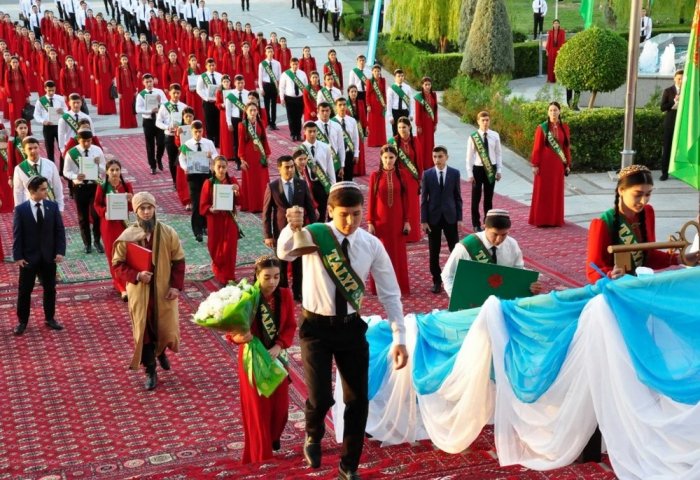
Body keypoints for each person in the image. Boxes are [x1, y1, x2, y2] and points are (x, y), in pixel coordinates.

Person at [277, 181, 408, 480]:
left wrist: (399, 338)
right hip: (315, 328)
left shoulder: (371, 244)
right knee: (321, 397)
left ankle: (349, 465)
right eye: (344, 215)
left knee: (357, 400)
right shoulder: (314, 234)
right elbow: (285, 253)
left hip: (350, 329)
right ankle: (313, 433)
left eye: (357, 214)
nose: (350, 222)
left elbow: (390, 293)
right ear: (330, 211)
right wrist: (290, 227)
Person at [226, 255, 297, 464]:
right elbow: (231, 330)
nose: (272, 282)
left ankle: (273, 437)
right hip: (252, 357)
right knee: (258, 409)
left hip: (276, 356)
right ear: (257, 276)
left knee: (281, 408)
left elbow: (290, 325)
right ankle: (260, 454)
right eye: (267, 277)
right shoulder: (247, 297)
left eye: (276, 276)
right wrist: (238, 337)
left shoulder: (285, 295)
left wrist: (279, 344)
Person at [113, 191, 186, 390]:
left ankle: (161, 351)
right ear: (136, 212)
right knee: (144, 331)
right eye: (142, 209)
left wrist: (175, 286)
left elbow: (178, 261)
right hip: (140, 293)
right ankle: (150, 370)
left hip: (163, 291)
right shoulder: (127, 237)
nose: (146, 212)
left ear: (155, 209)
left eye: (149, 208)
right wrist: (137, 276)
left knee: (164, 327)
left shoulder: (168, 232)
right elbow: (118, 265)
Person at [585, 164, 689, 283]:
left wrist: (681, 259)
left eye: (648, 194)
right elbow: (592, 271)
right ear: (621, 190)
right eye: (638, 194)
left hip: (639, 284)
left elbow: (648, 257)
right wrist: (610, 274)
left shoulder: (647, 213)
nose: (643, 201)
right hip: (615, 288)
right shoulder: (603, 223)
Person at [441, 209, 542, 297]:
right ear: (485, 227)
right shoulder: (465, 247)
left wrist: (530, 284)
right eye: (495, 234)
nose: (499, 239)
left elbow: (518, 271)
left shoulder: (512, 244)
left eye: (504, 234)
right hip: (474, 297)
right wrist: (457, 297)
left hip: (503, 297)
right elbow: (447, 275)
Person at [12, 175, 66, 336]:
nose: (46, 191)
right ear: (33, 191)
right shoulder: (21, 210)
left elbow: (59, 231)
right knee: (24, 291)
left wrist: (59, 251)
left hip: (49, 257)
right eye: (42, 189)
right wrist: (18, 257)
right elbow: (17, 235)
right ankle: (22, 322)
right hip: (28, 258)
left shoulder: (52, 207)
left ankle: (50, 318)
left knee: (50, 289)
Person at [262, 154, 317, 301]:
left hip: (300, 232)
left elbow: (310, 208)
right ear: (279, 168)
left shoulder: (302, 184)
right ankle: (283, 292)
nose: (290, 170)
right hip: (281, 233)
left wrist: (314, 229)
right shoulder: (272, 186)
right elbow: (266, 213)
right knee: (282, 264)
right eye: (287, 167)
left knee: (299, 264)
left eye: (292, 166)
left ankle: (298, 292)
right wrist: (268, 235)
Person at [367, 145, 410, 294]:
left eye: (391, 157)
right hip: (381, 222)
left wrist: (407, 220)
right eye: (385, 157)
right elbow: (371, 199)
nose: (388, 161)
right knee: (380, 253)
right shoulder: (375, 176)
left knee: (398, 254)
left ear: (396, 158)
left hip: (397, 220)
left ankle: (399, 285)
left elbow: (406, 199)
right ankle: (380, 287)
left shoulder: (402, 175)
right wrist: (370, 221)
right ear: (381, 158)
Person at [421, 146, 463, 294]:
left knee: (456, 250)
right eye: (435, 157)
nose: (437, 160)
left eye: (440, 156)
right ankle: (437, 281)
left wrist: (460, 218)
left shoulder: (454, 173)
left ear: (446, 157)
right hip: (433, 219)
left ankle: (458, 278)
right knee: (434, 252)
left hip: (450, 217)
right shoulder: (427, 174)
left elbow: (458, 197)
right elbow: (424, 199)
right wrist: (423, 220)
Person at [94, 159, 134, 301]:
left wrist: (131, 200)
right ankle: (120, 286)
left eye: (117, 170)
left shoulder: (127, 186)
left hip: (123, 226)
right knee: (113, 256)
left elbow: (132, 208)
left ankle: (127, 281)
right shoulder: (102, 187)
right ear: (107, 172)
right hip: (109, 226)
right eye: (112, 170)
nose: (115, 173)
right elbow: (96, 205)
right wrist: (104, 211)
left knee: (126, 255)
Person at [199, 155, 242, 284]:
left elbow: (240, 202)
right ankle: (218, 270)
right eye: (219, 167)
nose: (221, 170)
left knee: (229, 248)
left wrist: (237, 192)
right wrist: (211, 209)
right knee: (214, 247)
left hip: (229, 220)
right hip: (215, 220)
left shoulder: (232, 181)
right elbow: (203, 205)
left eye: (224, 167)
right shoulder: (209, 183)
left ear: (227, 167)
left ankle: (229, 275)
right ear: (213, 167)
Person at [529, 101, 571, 227]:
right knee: (543, 191)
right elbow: (537, 147)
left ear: (559, 112)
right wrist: (535, 164)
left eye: (555, 110)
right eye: (551, 110)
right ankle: (542, 220)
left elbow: (566, 148)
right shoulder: (542, 128)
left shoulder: (565, 127)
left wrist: (567, 163)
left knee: (556, 191)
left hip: (558, 165)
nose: (553, 112)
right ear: (548, 112)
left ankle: (555, 220)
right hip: (544, 164)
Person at [63, 128, 105, 254]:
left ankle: (97, 241)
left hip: (94, 186)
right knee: (83, 217)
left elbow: (104, 168)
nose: (87, 144)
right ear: (78, 140)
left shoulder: (97, 150)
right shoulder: (72, 153)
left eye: (89, 141)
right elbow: (66, 171)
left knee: (95, 215)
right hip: (80, 187)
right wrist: (75, 177)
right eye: (84, 141)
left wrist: (98, 165)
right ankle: (87, 243)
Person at [179, 120, 217, 242]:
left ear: (203, 131)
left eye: (200, 131)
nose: (198, 134)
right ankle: (197, 231)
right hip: (193, 176)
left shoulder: (208, 143)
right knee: (196, 202)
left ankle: (205, 225)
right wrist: (185, 168)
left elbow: (217, 156)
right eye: (195, 132)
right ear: (191, 131)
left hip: (206, 175)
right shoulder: (186, 145)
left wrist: (212, 156)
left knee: (207, 201)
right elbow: (181, 159)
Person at [466, 111, 502, 232]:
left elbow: (498, 154)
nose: (485, 122)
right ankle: (475, 223)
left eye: (487, 120)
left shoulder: (495, 135)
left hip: (491, 168)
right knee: (475, 198)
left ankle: (487, 222)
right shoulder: (473, 137)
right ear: (478, 122)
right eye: (483, 120)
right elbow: (469, 157)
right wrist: (470, 174)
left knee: (488, 198)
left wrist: (499, 170)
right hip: (478, 169)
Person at [389, 116, 422, 242]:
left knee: (412, 207)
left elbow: (419, 161)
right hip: (398, 178)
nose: (402, 129)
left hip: (412, 179)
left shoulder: (415, 141)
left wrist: (419, 178)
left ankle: (413, 234)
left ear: (410, 127)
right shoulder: (393, 141)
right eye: (399, 127)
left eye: (404, 127)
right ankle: (399, 233)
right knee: (399, 206)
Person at [13, 136, 65, 212]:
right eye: (30, 149)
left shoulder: (50, 165)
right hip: (30, 208)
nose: (33, 151)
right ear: (24, 150)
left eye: (35, 147)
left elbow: (57, 186)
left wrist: (60, 207)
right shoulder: (19, 169)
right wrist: (18, 210)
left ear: (39, 148)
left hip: (49, 204)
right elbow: (18, 192)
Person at [238, 102, 271, 213]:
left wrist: (267, 154)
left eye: (254, 110)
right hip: (249, 155)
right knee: (251, 180)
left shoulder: (260, 123)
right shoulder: (242, 125)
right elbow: (241, 143)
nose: (253, 113)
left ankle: (263, 204)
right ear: (246, 112)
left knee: (262, 180)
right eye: (250, 110)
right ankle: (251, 205)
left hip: (260, 155)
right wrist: (242, 159)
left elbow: (264, 139)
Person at [300, 122, 335, 221]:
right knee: (309, 213)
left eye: (314, 131)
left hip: (322, 183)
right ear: (305, 132)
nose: (312, 134)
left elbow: (330, 168)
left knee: (322, 211)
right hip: (307, 184)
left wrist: (332, 186)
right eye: (310, 131)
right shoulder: (301, 149)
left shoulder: (325, 147)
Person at [156, 83, 189, 185]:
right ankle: (175, 181)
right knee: (172, 160)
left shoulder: (184, 106)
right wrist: (167, 127)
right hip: (170, 136)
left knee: (183, 158)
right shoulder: (164, 107)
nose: (176, 95)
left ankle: (183, 180)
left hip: (182, 137)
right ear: (169, 93)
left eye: (178, 93)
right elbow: (158, 122)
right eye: (174, 93)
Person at [136, 73, 168, 174]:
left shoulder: (159, 91)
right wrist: (150, 111)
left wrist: (159, 105)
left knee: (161, 142)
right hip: (148, 121)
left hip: (159, 120)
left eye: (150, 81)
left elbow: (166, 103)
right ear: (143, 83)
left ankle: (158, 158)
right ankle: (152, 165)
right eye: (147, 82)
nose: (149, 84)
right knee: (150, 145)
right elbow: (138, 109)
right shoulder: (141, 95)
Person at [32, 80, 67, 164]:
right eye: (49, 90)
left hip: (59, 126)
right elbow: (36, 114)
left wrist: (63, 111)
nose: (51, 92)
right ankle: (52, 167)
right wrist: (43, 121)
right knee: (49, 149)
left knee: (62, 148)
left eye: (53, 90)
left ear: (55, 89)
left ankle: (62, 170)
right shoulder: (40, 101)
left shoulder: (60, 98)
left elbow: (67, 109)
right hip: (48, 127)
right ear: (45, 89)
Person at [660, 70, 682, 181]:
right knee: (667, 147)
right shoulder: (668, 91)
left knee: (681, 148)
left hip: (682, 123)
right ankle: (665, 172)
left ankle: (681, 172)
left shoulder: (688, 92)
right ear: (674, 78)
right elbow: (662, 107)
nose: (680, 81)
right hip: (671, 123)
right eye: (678, 78)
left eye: (682, 78)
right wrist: (674, 101)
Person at [279, 57, 308, 142]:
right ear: (290, 64)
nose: (295, 66)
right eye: (293, 64)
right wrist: (281, 98)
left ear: (298, 64)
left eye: (296, 64)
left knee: (298, 117)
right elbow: (281, 87)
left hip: (300, 98)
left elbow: (306, 87)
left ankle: (298, 134)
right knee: (291, 117)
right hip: (289, 98)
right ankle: (293, 134)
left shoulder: (302, 74)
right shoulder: (285, 74)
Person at [224, 75, 250, 169]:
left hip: (245, 120)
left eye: (242, 83)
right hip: (235, 120)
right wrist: (229, 123)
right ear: (234, 83)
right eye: (238, 83)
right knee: (236, 141)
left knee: (246, 140)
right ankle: (238, 162)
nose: (240, 85)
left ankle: (246, 159)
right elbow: (228, 111)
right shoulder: (230, 95)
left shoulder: (248, 94)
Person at [196, 58, 223, 146]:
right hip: (208, 102)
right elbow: (199, 89)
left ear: (215, 65)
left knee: (218, 121)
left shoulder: (220, 75)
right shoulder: (202, 76)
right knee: (209, 122)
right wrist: (206, 98)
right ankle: (210, 140)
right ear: (206, 66)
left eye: (213, 65)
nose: (211, 67)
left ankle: (218, 141)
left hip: (217, 102)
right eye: (209, 65)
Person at [414, 76, 438, 171]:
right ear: (422, 85)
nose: (427, 86)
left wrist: (435, 123)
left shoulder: (433, 95)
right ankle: (421, 164)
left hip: (430, 124)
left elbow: (435, 110)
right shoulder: (419, 97)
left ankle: (429, 163)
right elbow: (417, 112)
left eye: (429, 84)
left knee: (430, 144)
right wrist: (418, 125)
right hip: (422, 124)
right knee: (421, 144)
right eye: (426, 85)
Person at [333, 97, 359, 182]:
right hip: (336, 155)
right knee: (337, 179)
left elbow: (355, 138)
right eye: (340, 105)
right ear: (335, 107)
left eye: (344, 105)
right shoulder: (332, 122)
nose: (342, 107)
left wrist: (356, 154)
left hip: (348, 153)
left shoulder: (352, 121)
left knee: (348, 178)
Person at [258, 45, 281, 131]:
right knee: (267, 105)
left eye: (271, 51)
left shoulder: (277, 63)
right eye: (268, 52)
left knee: (274, 105)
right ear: (265, 53)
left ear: (273, 52)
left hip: (274, 85)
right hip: (266, 85)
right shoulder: (262, 64)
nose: (270, 53)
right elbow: (260, 77)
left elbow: (279, 76)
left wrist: (279, 88)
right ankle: (267, 122)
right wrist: (261, 89)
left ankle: (273, 123)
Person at [386, 69, 413, 138]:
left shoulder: (407, 88)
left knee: (408, 131)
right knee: (396, 132)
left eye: (402, 76)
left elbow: (410, 102)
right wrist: (390, 116)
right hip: (395, 112)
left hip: (405, 112)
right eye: (398, 76)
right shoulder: (391, 89)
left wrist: (411, 114)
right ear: (395, 77)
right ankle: (396, 148)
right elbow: (389, 104)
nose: (401, 78)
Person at [365, 64, 387, 147]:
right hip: (373, 105)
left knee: (381, 124)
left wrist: (385, 103)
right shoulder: (369, 81)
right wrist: (368, 105)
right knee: (372, 124)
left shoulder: (383, 80)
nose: (377, 73)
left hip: (380, 105)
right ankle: (373, 142)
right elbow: (367, 95)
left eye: (378, 71)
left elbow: (384, 92)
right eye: (375, 71)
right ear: (372, 72)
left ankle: (381, 142)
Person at [115, 54, 139, 129]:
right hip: (123, 91)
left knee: (131, 106)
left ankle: (132, 123)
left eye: (125, 59)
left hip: (130, 90)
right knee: (125, 107)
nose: (124, 61)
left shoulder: (129, 68)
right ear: (120, 61)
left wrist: (135, 89)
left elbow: (133, 79)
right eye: (123, 60)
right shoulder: (118, 69)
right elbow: (118, 81)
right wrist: (119, 92)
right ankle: (126, 124)